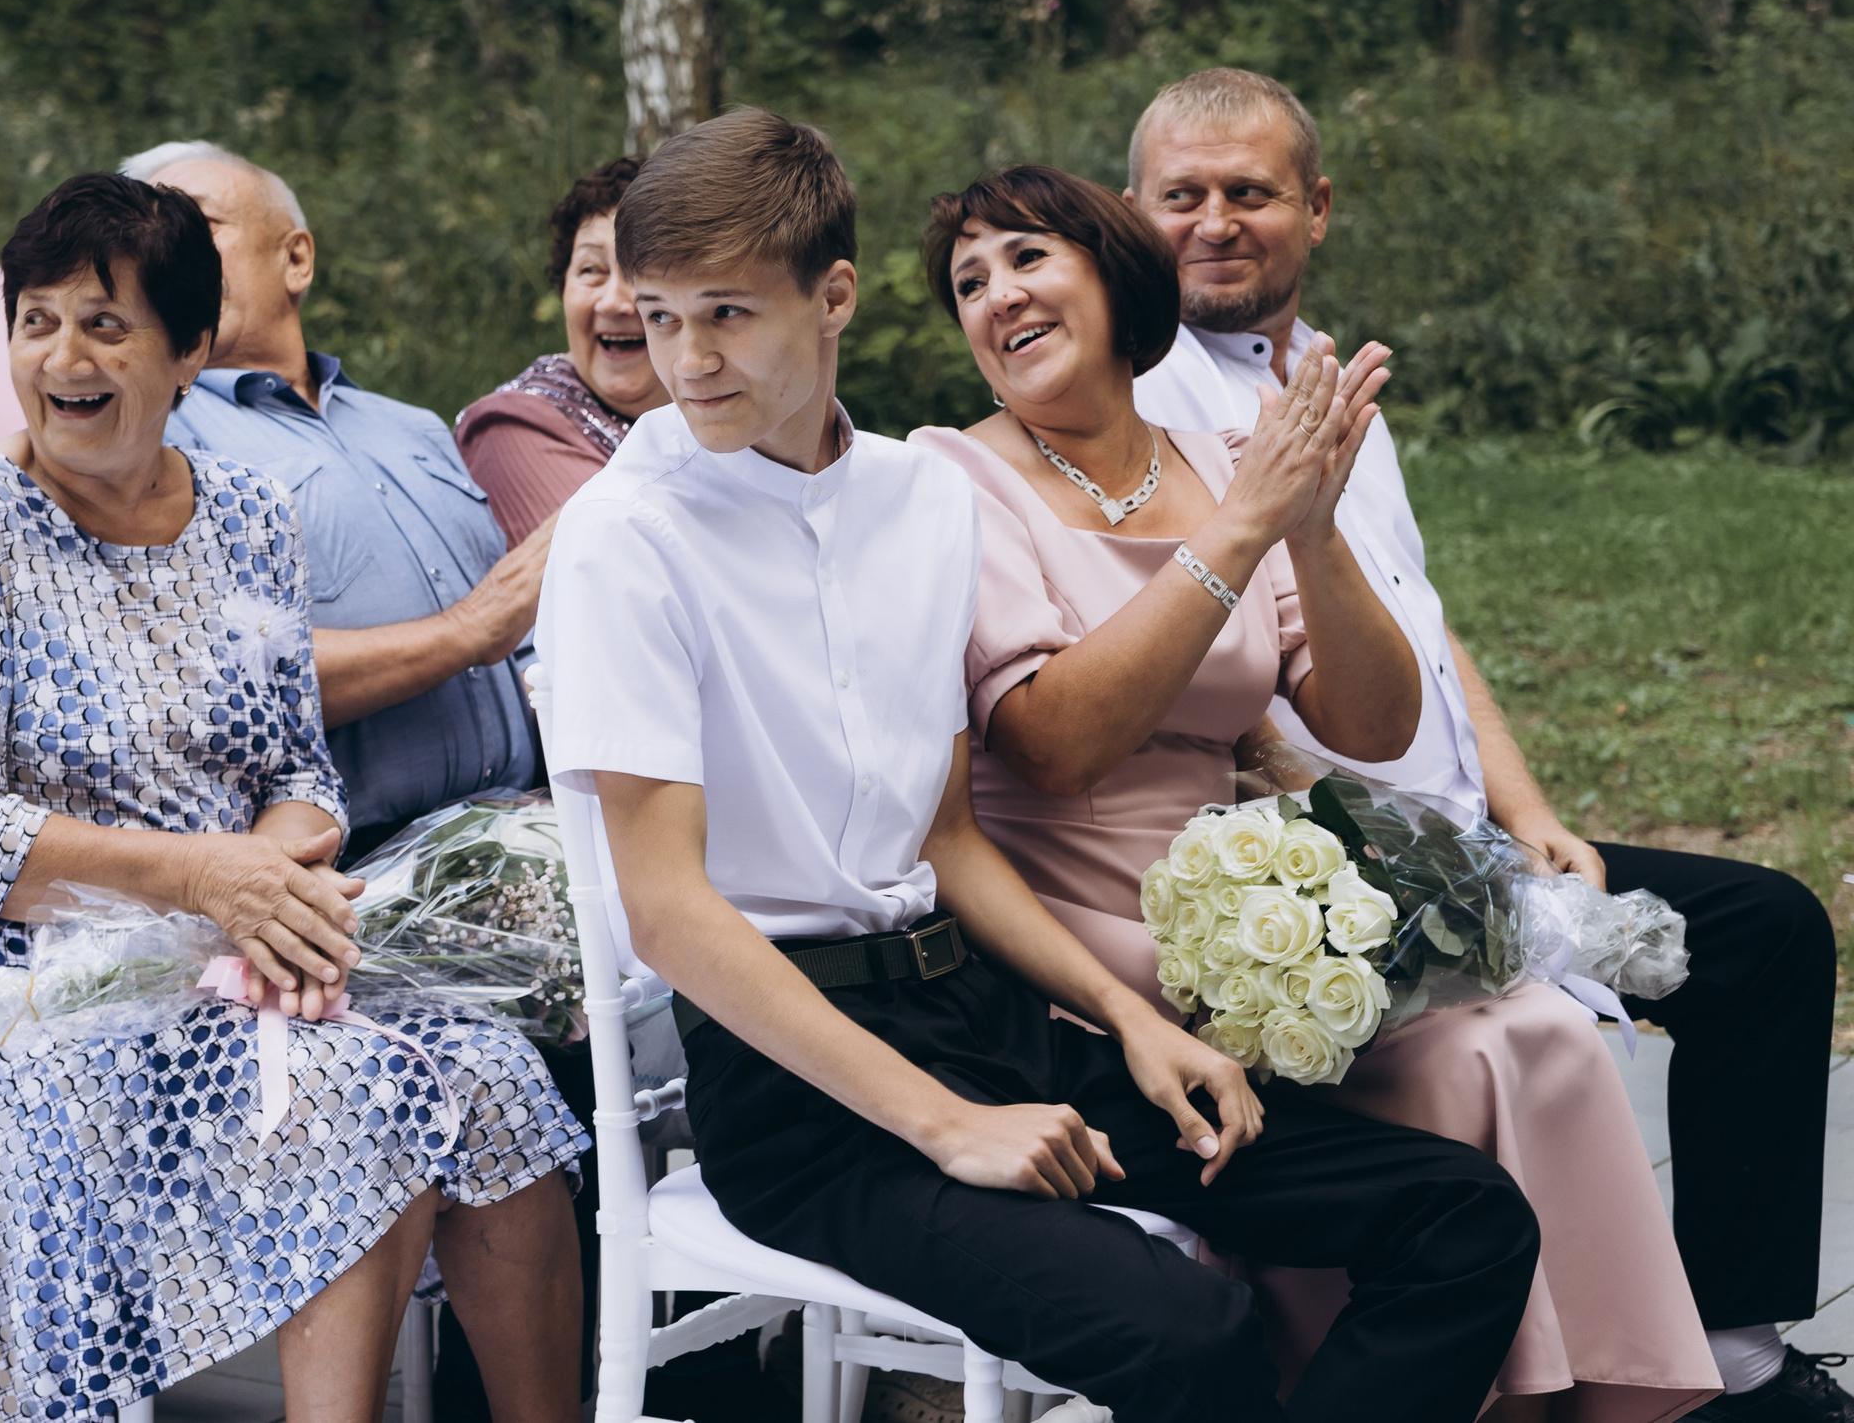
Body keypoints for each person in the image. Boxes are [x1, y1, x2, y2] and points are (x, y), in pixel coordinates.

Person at [537, 107, 1542, 1423]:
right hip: (805, 1093)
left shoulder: (920, 498)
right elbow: (668, 908)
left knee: (1458, 1215)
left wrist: (1133, 1020)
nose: (685, 358)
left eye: (726, 313)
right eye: (659, 316)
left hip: (986, 1014)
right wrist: (942, 1122)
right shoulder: (624, 537)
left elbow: (949, 837)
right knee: (1190, 1332)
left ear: (831, 296)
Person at [909, 162, 1719, 1422]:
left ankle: (1585, 1401)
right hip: (1073, 928)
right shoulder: (955, 479)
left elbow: (1372, 722)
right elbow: (1055, 743)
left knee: (1544, 1031)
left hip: (1257, 907)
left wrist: (1313, 526)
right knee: (1453, 1067)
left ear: (1117, 278)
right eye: (969, 282)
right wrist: (1236, 532)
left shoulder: (1226, 456)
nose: (994, 297)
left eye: (1026, 260)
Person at [1125, 66, 1844, 1423]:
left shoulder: (1330, 371)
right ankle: (1596, 1366)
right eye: (1184, 196)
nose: (1216, 221)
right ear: (1132, 212)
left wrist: (1529, 804)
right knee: (1590, 1008)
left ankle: (1732, 1342)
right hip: (1338, 851)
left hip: (1465, 825)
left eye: (1251, 192)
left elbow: (1427, 619)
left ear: (1318, 208)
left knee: (1763, 928)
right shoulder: (1139, 408)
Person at [0, 172, 587, 1423]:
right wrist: (215, 881)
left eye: (106, 325)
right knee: (371, 1099)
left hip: (220, 948)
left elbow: (294, 770)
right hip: (22, 991)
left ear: (189, 352)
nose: (63, 358)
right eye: (37, 322)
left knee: (495, 1082)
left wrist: (270, 882)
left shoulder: (247, 517)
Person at [125, 140, 546, 855]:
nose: (170, 255)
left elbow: (524, 634)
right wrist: (468, 633)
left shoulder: (411, 425)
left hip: (532, 829)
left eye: (199, 225)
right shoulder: (151, 448)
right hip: (353, 877)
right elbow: (205, 679)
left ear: (296, 259)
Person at [456, 157, 666, 544]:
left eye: (642, 271)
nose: (614, 302)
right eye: (591, 270)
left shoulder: (736, 416)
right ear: (562, 288)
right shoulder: (509, 428)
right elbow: (622, 567)